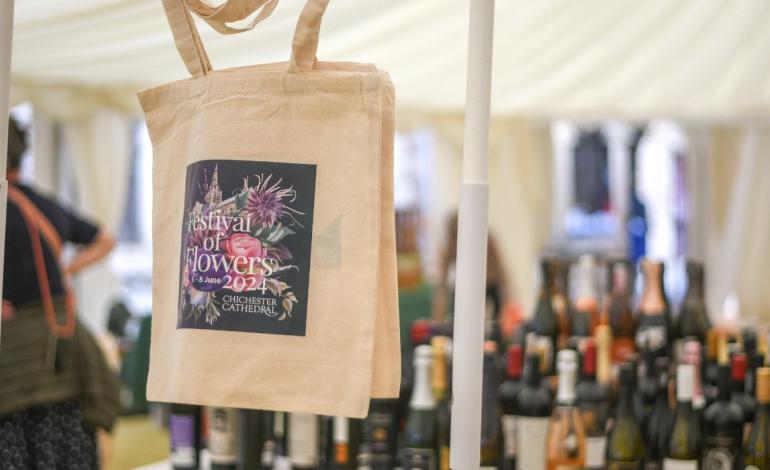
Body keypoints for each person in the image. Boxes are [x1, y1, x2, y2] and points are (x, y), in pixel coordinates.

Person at [0, 116, 119, 469]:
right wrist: (65, 270)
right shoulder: (44, 206)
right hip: (63, 348)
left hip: (15, 356)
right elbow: (105, 239)